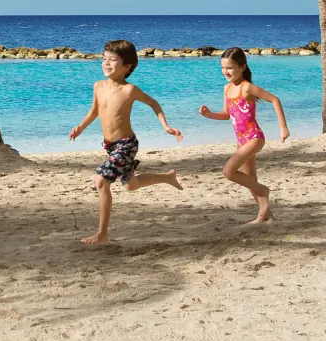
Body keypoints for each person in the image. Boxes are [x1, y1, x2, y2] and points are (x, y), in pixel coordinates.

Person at [68, 39, 182, 245]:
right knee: (130, 185)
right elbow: (95, 111)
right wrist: (80, 127)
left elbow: (153, 103)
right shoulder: (98, 86)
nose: (106, 63)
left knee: (101, 181)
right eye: (104, 59)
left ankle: (102, 234)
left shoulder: (129, 90)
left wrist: (166, 126)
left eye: (113, 60)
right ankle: (167, 177)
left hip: (126, 144)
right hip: (110, 146)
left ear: (127, 66)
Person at [196, 47, 287, 224]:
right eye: (223, 68)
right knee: (250, 179)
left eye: (229, 68)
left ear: (242, 67)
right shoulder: (227, 89)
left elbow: (275, 99)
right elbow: (227, 114)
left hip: (254, 137)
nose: (225, 72)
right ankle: (265, 214)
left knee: (228, 171)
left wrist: (283, 128)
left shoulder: (247, 88)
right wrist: (210, 115)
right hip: (241, 140)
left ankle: (264, 191)